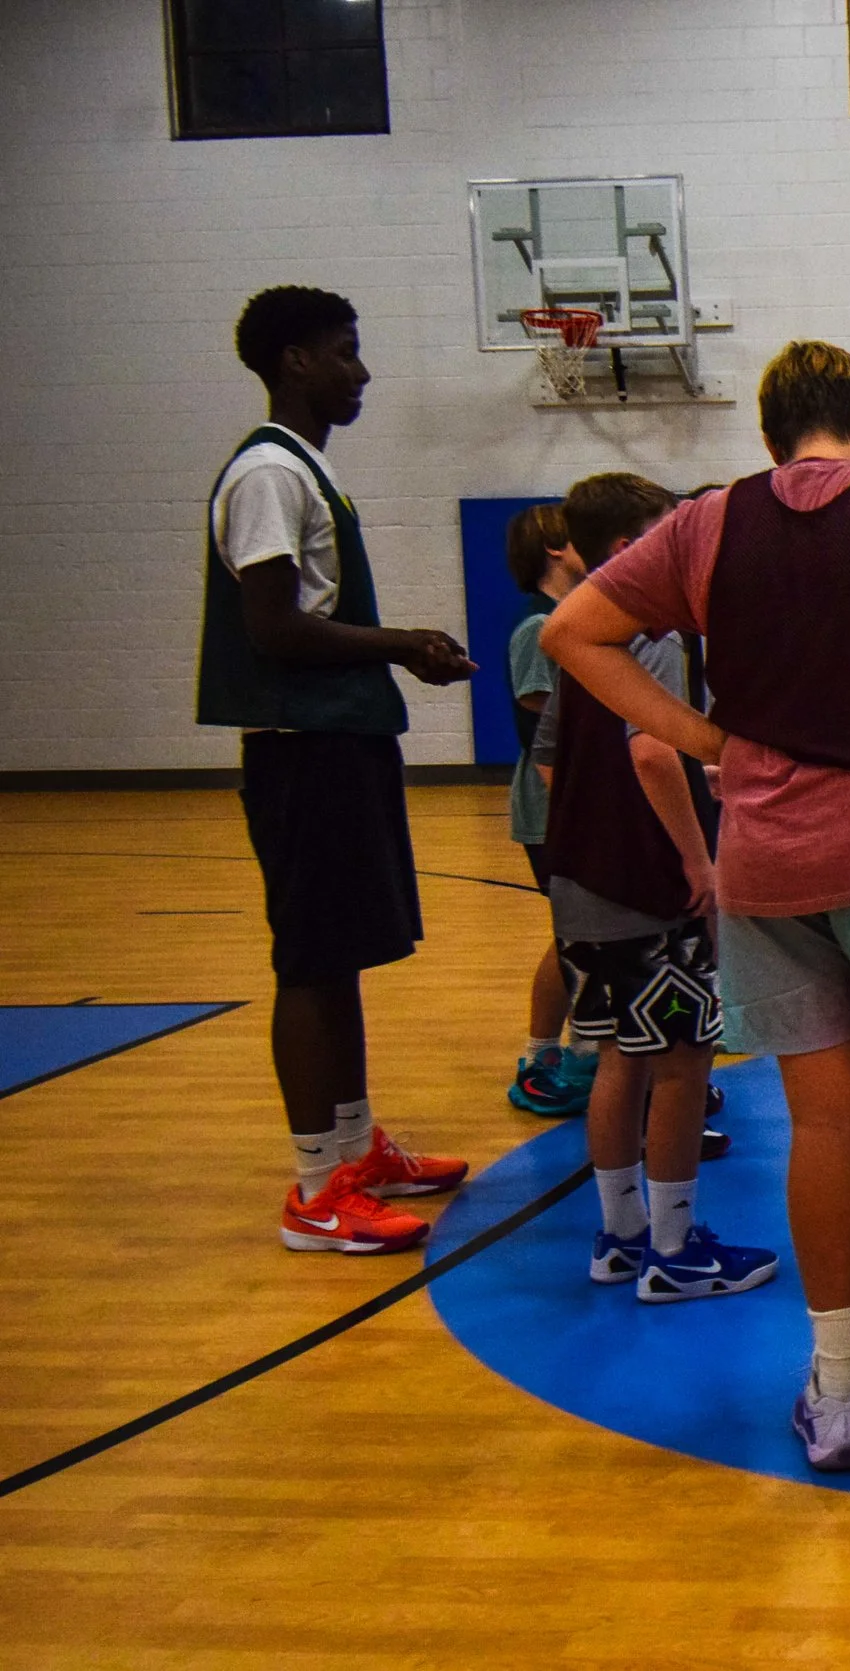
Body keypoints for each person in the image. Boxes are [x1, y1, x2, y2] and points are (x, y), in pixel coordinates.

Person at [541, 339, 850, 1477]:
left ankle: (834, 1395)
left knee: (823, 1124)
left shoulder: (710, 521)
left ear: (771, 436)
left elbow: (578, 635)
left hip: (769, 858)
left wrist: (710, 741)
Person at [199, 286, 472, 1256]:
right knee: (309, 961)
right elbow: (271, 627)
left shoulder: (307, 471)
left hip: (339, 740)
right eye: (345, 352)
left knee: (341, 954)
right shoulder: (270, 472)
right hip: (301, 748)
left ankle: (356, 1149)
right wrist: (399, 642)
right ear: (295, 360)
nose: (361, 371)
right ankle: (317, 1189)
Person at [537, 473, 775, 1302]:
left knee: (616, 1059)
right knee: (682, 1061)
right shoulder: (651, 632)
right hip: (646, 887)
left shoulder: (577, 637)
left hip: (582, 878)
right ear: (627, 551)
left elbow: (555, 756)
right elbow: (647, 751)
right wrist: (697, 861)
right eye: (669, 533)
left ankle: (620, 1234)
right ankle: (675, 1252)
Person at [504, 503, 598, 1118]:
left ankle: (568, 1049)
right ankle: (543, 1056)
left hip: (576, 803)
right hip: (552, 807)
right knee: (574, 935)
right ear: (557, 548)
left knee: (577, 935)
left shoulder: (573, 619)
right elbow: (544, 724)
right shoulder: (537, 629)